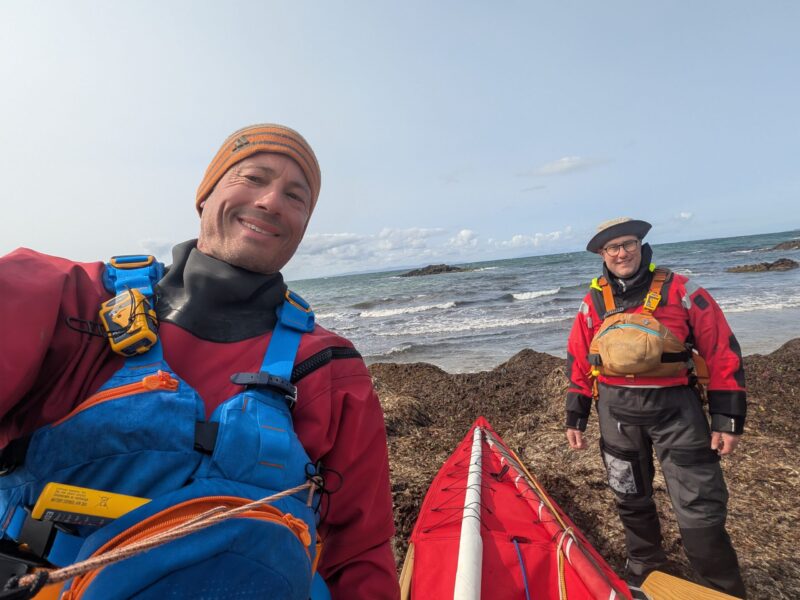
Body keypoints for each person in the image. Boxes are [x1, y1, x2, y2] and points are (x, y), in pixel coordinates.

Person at [0, 124, 399, 599]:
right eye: (253, 177)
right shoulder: (70, 302)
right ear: (204, 196)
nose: (272, 201)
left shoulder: (329, 368)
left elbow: (359, 554)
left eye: (296, 196)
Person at [564, 217, 747, 597]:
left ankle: (719, 585)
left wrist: (726, 420)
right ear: (602, 255)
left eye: (627, 244)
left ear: (641, 246)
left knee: (699, 501)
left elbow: (721, 350)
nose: (621, 253)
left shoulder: (681, 289)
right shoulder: (593, 301)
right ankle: (645, 566)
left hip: (677, 410)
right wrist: (575, 415)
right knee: (628, 493)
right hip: (616, 413)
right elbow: (579, 360)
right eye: (611, 248)